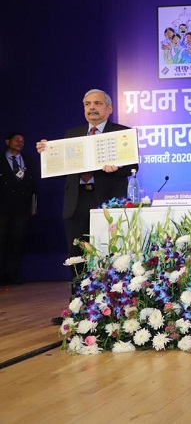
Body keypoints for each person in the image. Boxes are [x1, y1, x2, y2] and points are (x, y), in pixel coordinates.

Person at [36, 89, 132, 315]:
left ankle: (112, 308)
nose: (92, 108)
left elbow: (133, 166)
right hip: (76, 201)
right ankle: (77, 310)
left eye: (97, 103)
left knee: (109, 256)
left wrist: (118, 166)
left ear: (109, 108)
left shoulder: (121, 133)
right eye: (87, 104)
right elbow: (61, 165)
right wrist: (47, 153)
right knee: (76, 257)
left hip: (108, 203)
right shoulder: (73, 134)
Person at [0, 132, 36, 285]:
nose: (20, 143)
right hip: (2, 207)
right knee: (2, 241)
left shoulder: (28, 160)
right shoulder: (1, 160)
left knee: (17, 242)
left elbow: (33, 185)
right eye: (16, 140)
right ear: (7, 141)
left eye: (22, 141)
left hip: (22, 208)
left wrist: (33, 206)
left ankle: (12, 274)